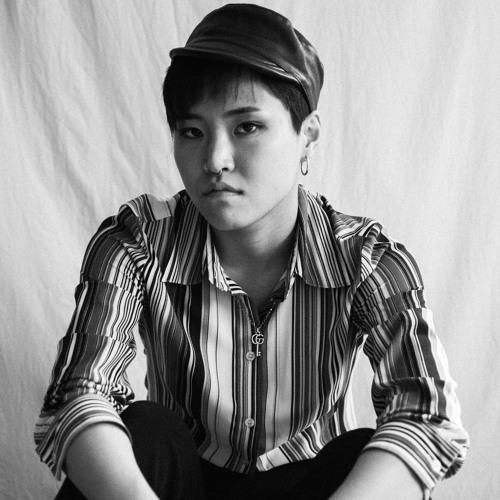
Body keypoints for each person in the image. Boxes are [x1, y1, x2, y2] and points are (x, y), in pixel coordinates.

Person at [34, 4, 469, 499]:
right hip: (178, 486)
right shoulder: (137, 242)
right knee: (147, 430)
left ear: (307, 136)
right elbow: (79, 392)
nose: (215, 160)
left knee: (362, 451)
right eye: (192, 132)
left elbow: (426, 414)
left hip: (311, 487)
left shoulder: (366, 259)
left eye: (247, 127)